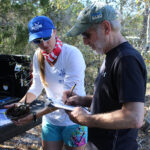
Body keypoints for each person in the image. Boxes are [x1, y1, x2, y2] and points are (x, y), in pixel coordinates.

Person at [63, 2, 147, 150]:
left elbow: (135, 117)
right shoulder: (111, 56)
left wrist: (87, 119)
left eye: (86, 35)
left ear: (106, 27)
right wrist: (82, 100)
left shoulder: (126, 59)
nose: (85, 41)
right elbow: (112, 99)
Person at [5, 16, 88, 150]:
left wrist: (34, 116)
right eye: (37, 40)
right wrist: (21, 103)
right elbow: (37, 86)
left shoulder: (72, 54)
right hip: (50, 120)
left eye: (46, 37)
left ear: (54, 32)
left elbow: (67, 100)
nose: (43, 44)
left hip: (74, 119)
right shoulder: (38, 55)